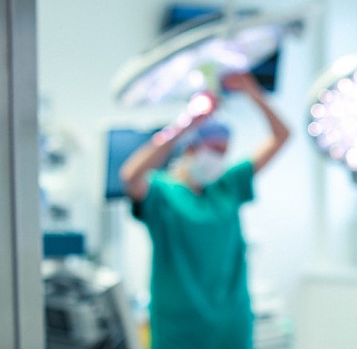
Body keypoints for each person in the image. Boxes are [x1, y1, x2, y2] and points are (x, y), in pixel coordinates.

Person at [119, 72, 290, 348]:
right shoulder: (163, 192)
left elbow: (282, 136)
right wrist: (185, 124)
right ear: (191, 148)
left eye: (224, 151)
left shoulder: (227, 186)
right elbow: (130, 175)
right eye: (213, 148)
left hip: (231, 323)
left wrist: (253, 93)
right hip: (179, 327)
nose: (218, 157)